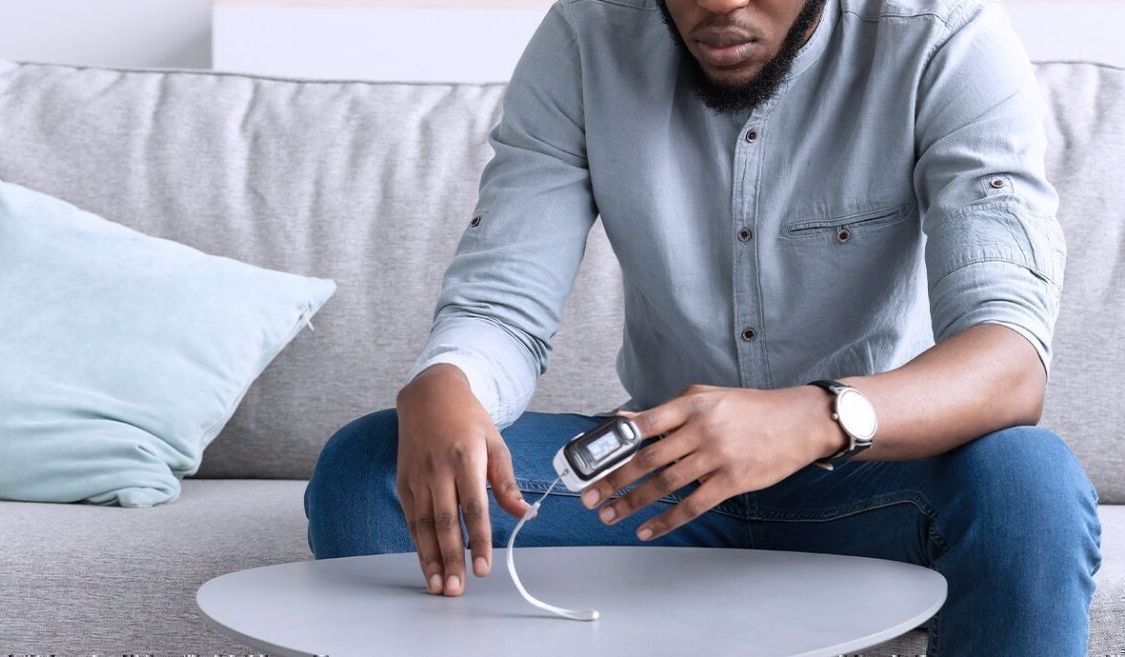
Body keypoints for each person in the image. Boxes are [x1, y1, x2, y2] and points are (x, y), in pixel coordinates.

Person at [304, 0, 1103, 653]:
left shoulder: (945, 37)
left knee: (1028, 482)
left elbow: (1007, 361)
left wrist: (818, 417)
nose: (718, 4)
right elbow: (503, 303)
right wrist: (448, 380)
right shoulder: (585, 38)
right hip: (662, 482)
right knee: (366, 471)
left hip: (879, 480)